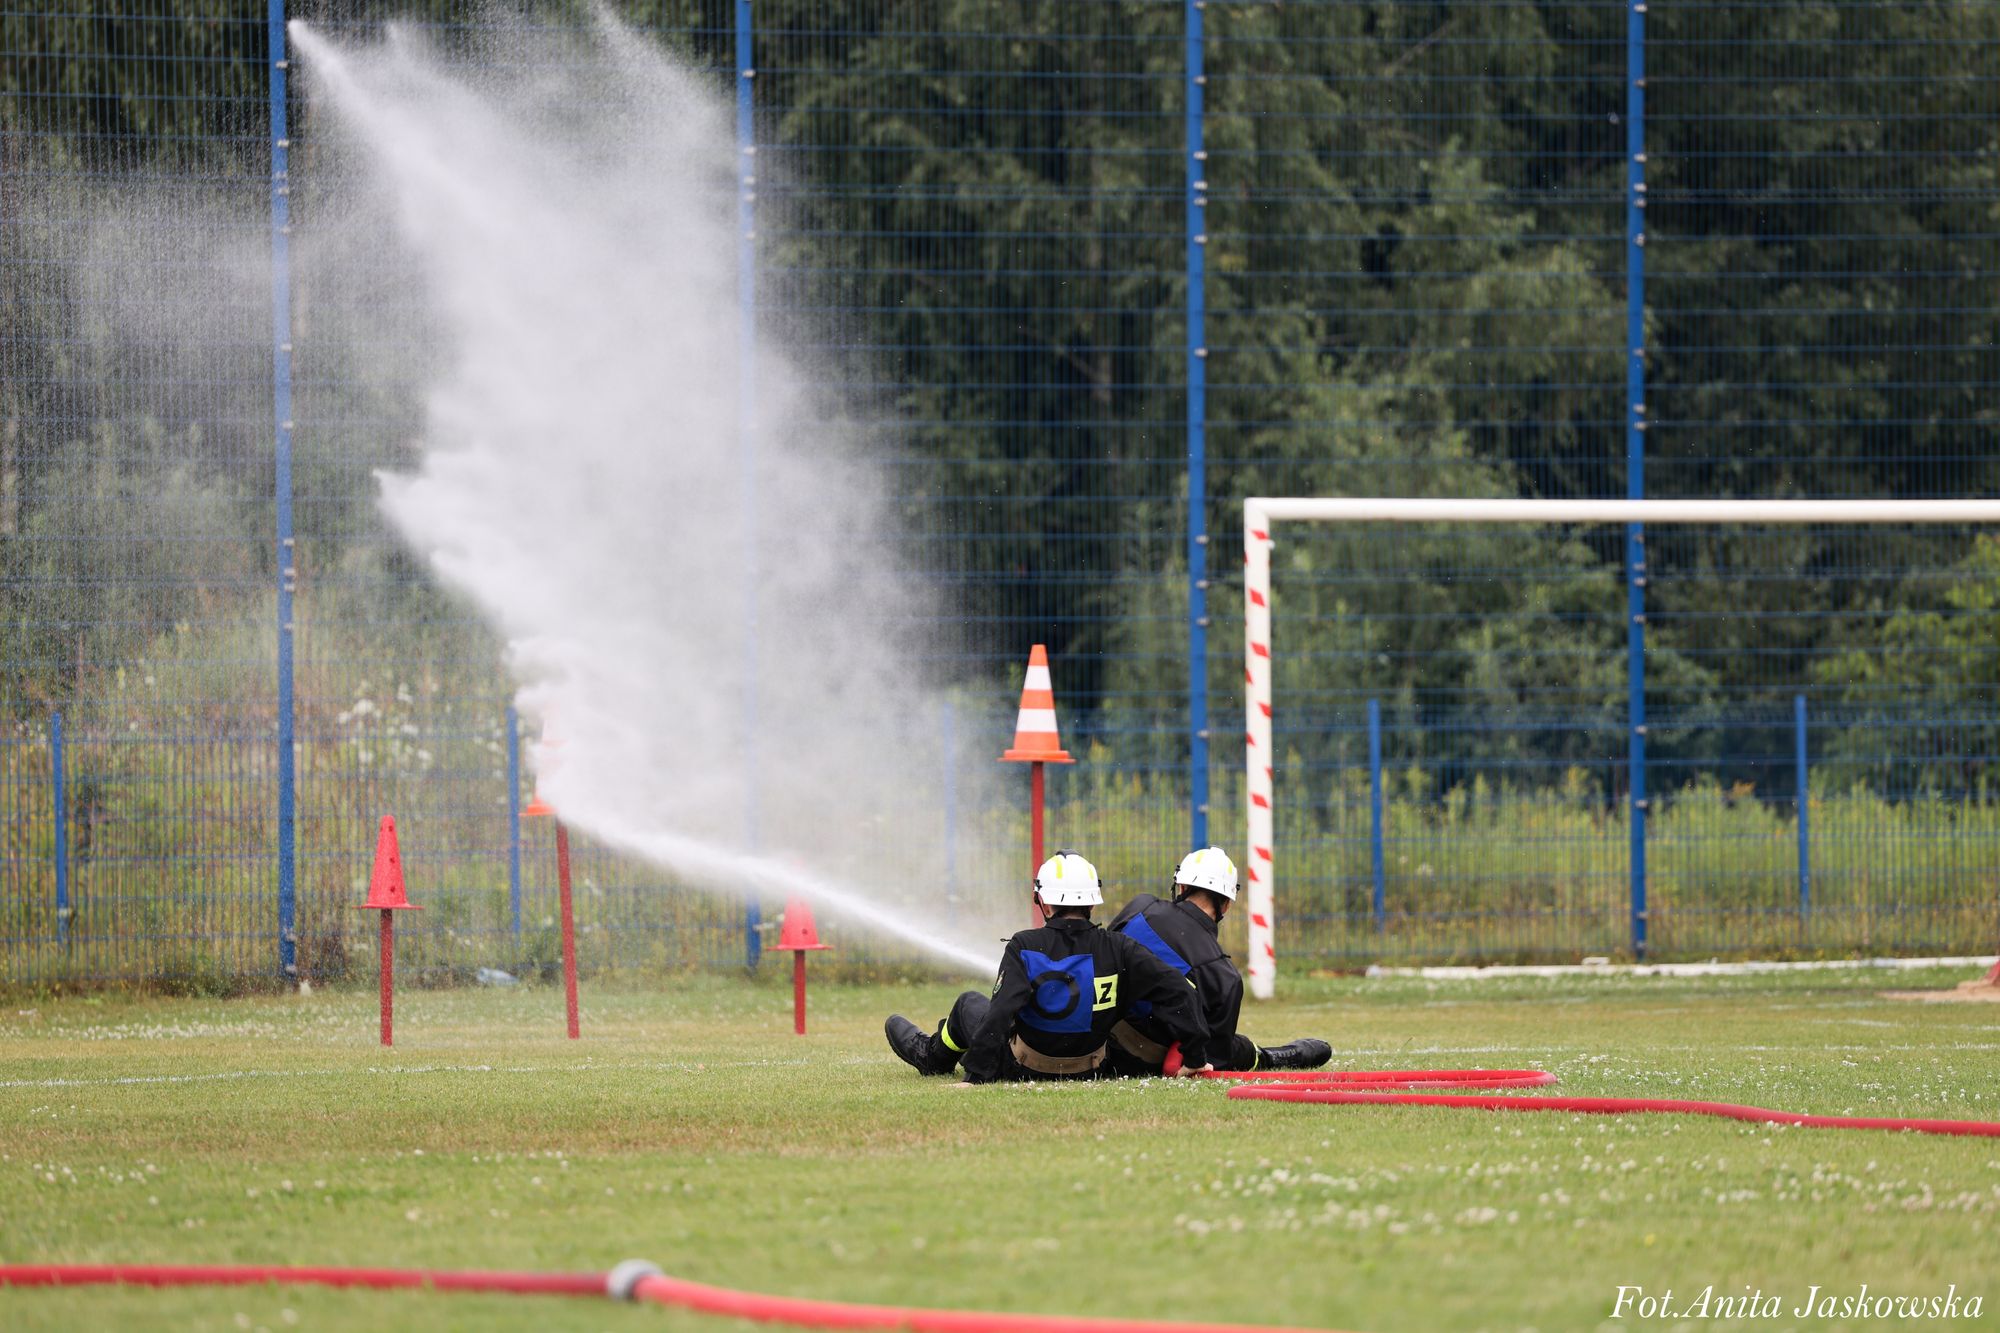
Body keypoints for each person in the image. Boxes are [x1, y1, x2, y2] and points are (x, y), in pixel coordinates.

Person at [885, 851, 1214, 1084]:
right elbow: (1181, 993)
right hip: (1093, 1069)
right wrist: (1195, 1058)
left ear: (1043, 901)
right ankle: (936, 1054)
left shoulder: (1024, 945)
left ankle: (932, 1056)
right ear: (1092, 901)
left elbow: (999, 1013)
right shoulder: (1120, 947)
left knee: (969, 1003)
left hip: (1023, 1068)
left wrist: (976, 1077)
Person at [1104, 846, 1331, 1076]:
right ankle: (1270, 1057)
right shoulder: (1225, 977)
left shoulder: (1140, 906)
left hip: (1096, 1041)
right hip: (1147, 1060)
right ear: (1226, 905)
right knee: (1234, 1047)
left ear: (1181, 887)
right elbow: (1210, 1057)